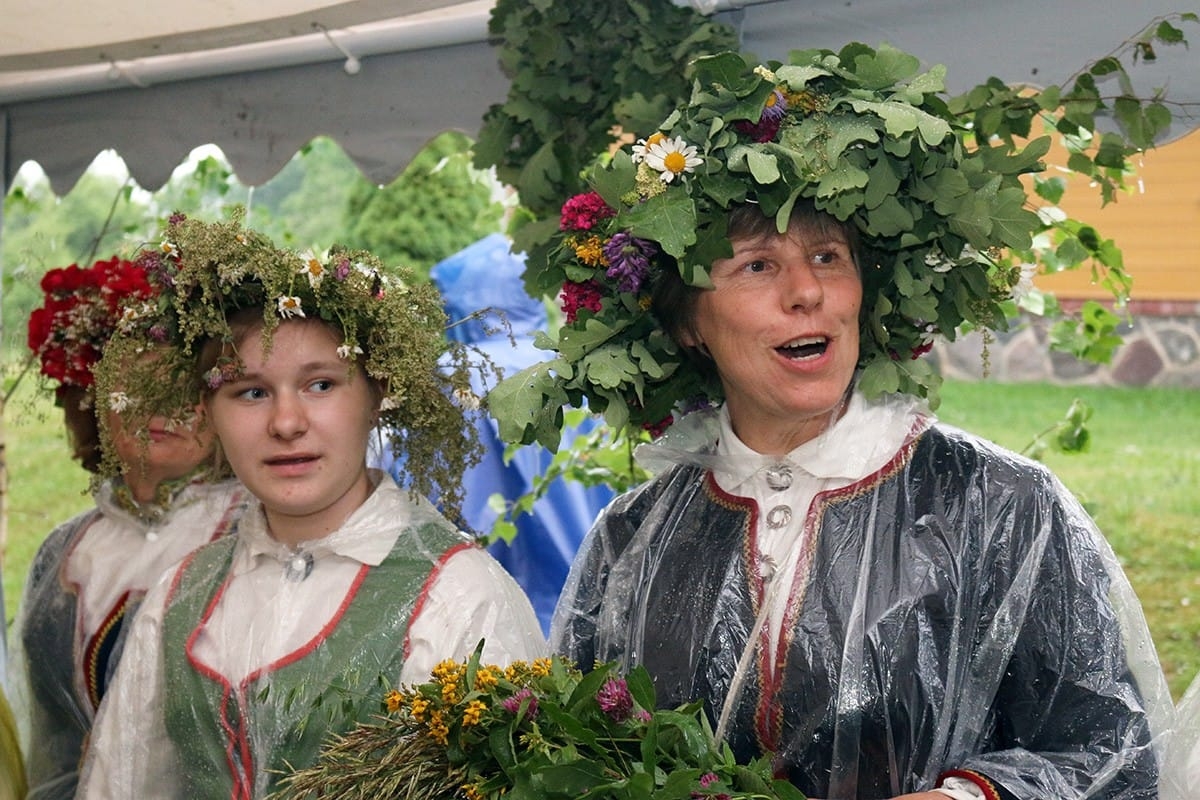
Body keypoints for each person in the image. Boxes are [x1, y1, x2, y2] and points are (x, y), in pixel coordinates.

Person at [488, 46, 1175, 799]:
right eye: (757, 265)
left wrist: (969, 797)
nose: (806, 292)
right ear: (688, 322)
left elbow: (1110, 748)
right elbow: (575, 758)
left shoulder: (1001, 507)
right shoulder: (632, 540)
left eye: (827, 255)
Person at [77, 212, 547, 798]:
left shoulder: (459, 598)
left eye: (321, 384)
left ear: (377, 396)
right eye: (250, 392)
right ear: (208, 411)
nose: (286, 423)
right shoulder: (179, 597)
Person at [8, 255, 249, 800]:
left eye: (184, 386)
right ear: (95, 399)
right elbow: (52, 744)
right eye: (135, 379)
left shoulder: (255, 537)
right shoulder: (63, 552)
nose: (159, 407)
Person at [374, 233, 614, 633]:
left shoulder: (455, 375)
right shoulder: (572, 367)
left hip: (485, 614)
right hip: (587, 607)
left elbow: (442, 500)